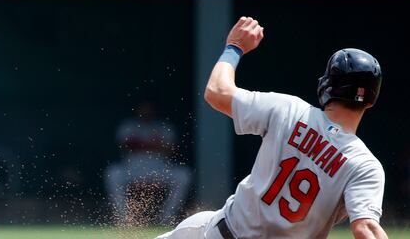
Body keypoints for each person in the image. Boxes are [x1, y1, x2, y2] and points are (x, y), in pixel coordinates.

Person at [157, 17, 388, 239]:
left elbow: (216, 92)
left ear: (327, 85)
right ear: (370, 100)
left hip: (220, 233)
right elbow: (365, 229)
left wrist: (234, 47)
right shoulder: (365, 166)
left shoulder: (291, 109)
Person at [104, 101, 191, 225]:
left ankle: (165, 219)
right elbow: (125, 147)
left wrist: (151, 144)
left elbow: (170, 150)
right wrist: (152, 143)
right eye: (143, 108)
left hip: (159, 168)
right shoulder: (128, 126)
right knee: (113, 173)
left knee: (183, 175)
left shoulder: (164, 127)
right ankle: (124, 220)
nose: (146, 111)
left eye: (148, 108)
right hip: (134, 168)